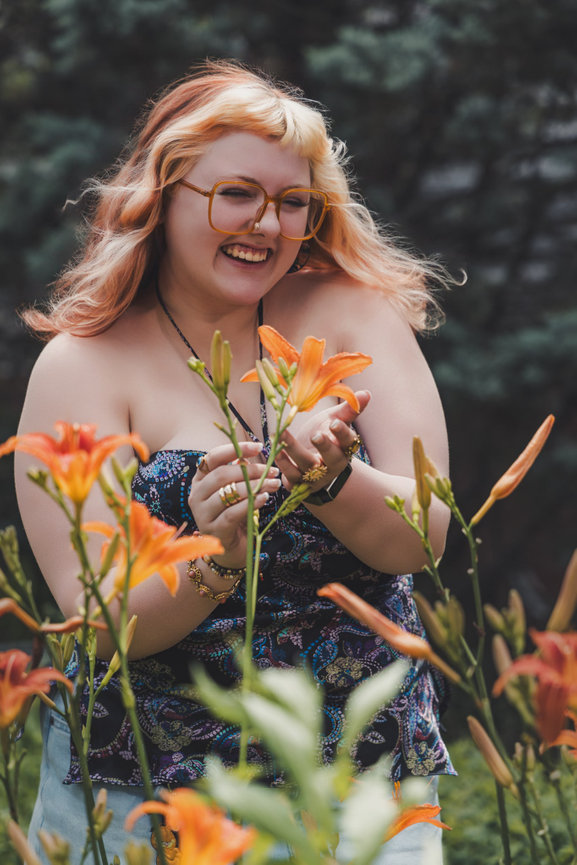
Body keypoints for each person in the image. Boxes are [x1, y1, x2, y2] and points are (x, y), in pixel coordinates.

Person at [16, 60, 455, 864]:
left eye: (293, 202)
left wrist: (329, 478)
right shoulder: (83, 366)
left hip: (360, 780)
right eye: (237, 193)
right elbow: (101, 622)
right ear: (164, 195)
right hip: (145, 788)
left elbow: (424, 535)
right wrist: (214, 554)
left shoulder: (351, 311)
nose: (266, 223)